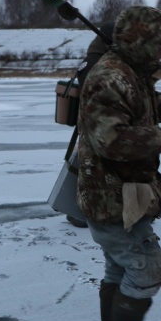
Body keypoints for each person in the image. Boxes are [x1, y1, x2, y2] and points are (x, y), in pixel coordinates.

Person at [76, 6, 161, 321]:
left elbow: (140, 98)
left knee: (119, 267)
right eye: (159, 43)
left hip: (121, 196)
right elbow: (110, 139)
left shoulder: (129, 73)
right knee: (146, 268)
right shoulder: (109, 77)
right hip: (111, 198)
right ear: (140, 40)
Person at [63, 22, 115, 229]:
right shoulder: (98, 63)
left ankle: (82, 213)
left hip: (90, 125)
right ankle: (83, 214)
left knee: (89, 170)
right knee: (93, 171)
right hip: (96, 126)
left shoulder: (92, 60)